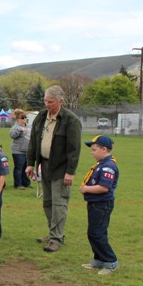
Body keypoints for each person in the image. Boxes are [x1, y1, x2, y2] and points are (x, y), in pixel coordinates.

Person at [25, 85, 83, 253]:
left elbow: (74, 149)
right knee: (48, 202)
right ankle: (53, 233)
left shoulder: (70, 120)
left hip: (61, 168)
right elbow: (33, 143)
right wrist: (30, 163)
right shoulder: (41, 117)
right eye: (45, 101)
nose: (47, 104)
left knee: (59, 204)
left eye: (50, 102)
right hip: (45, 165)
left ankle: (56, 238)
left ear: (60, 101)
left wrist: (70, 172)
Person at [79, 135, 120, 275]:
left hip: (102, 204)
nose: (92, 152)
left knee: (98, 233)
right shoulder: (101, 164)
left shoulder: (108, 166)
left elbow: (104, 187)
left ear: (104, 149)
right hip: (94, 203)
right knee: (93, 233)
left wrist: (86, 189)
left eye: (94, 150)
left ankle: (111, 261)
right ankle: (98, 259)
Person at [9, 109, 32, 189]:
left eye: (25, 118)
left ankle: (26, 183)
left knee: (26, 168)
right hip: (18, 151)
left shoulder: (29, 126)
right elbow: (12, 135)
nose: (25, 119)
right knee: (19, 168)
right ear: (18, 119)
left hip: (27, 151)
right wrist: (20, 130)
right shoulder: (15, 127)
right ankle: (18, 184)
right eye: (23, 118)